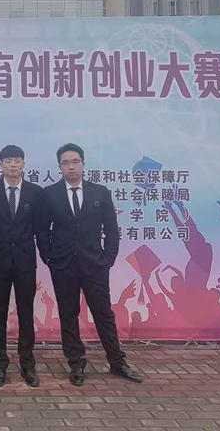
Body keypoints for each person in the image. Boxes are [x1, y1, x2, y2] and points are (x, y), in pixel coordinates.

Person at [38, 143, 143, 386]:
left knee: (103, 313)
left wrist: (108, 259)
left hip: (95, 264)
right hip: (63, 265)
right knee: (68, 314)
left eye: (75, 161)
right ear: (60, 167)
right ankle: (76, 363)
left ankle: (117, 361)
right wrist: (49, 258)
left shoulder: (100, 193)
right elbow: (42, 230)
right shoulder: (49, 194)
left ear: (83, 164)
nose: (71, 166)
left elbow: (112, 230)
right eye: (66, 163)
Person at [0, 145, 44, 387]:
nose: (13, 165)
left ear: (23, 164)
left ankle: (27, 364)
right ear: (1, 165)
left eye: (17, 160)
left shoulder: (35, 192)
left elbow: (39, 227)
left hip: (26, 261)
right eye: (8, 161)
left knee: (26, 313)